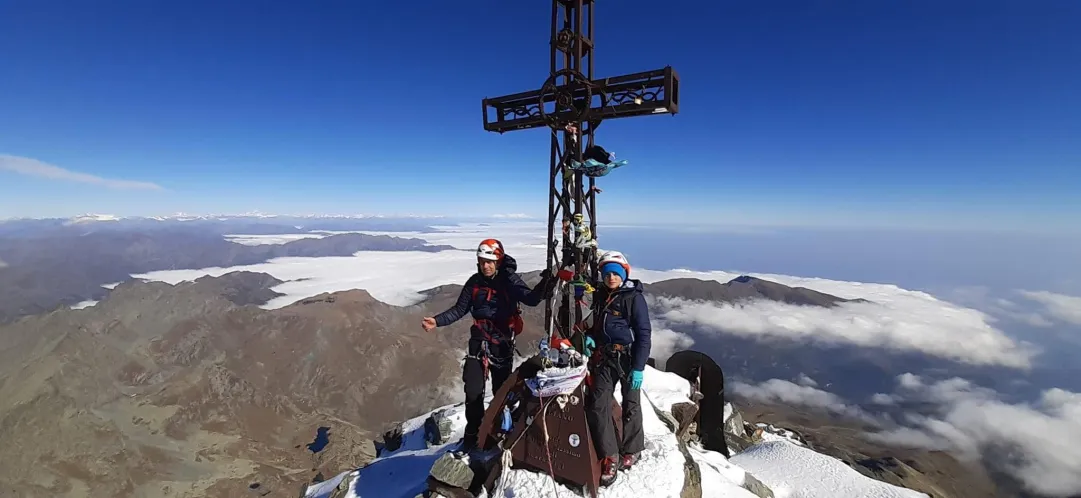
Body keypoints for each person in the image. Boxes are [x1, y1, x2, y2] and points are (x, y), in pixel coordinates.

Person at [422, 238, 553, 454]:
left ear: (498, 261)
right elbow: (459, 309)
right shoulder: (474, 283)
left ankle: (499, 432)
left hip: (501, 344)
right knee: (473, 392)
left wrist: (546, 283)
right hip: (479, 343)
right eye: (482, 261)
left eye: (490, 262)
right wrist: (437, 321)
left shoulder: (508, 281)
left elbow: (531, 299)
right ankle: (472, 436)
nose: (486, 266)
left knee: (502, 393)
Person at [582, 249, 652, 486]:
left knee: (631, 403)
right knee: (598, 404)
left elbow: (643, 334)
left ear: (624, 273)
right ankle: (610, 455)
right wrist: (591, 336)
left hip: (628, 358)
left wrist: (639, 367)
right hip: (605, 357)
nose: (611, 278)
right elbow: (600, 323)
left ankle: (631, 449)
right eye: (607, 273)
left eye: (616, 273)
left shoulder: (633, 298)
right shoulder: (602, 295)